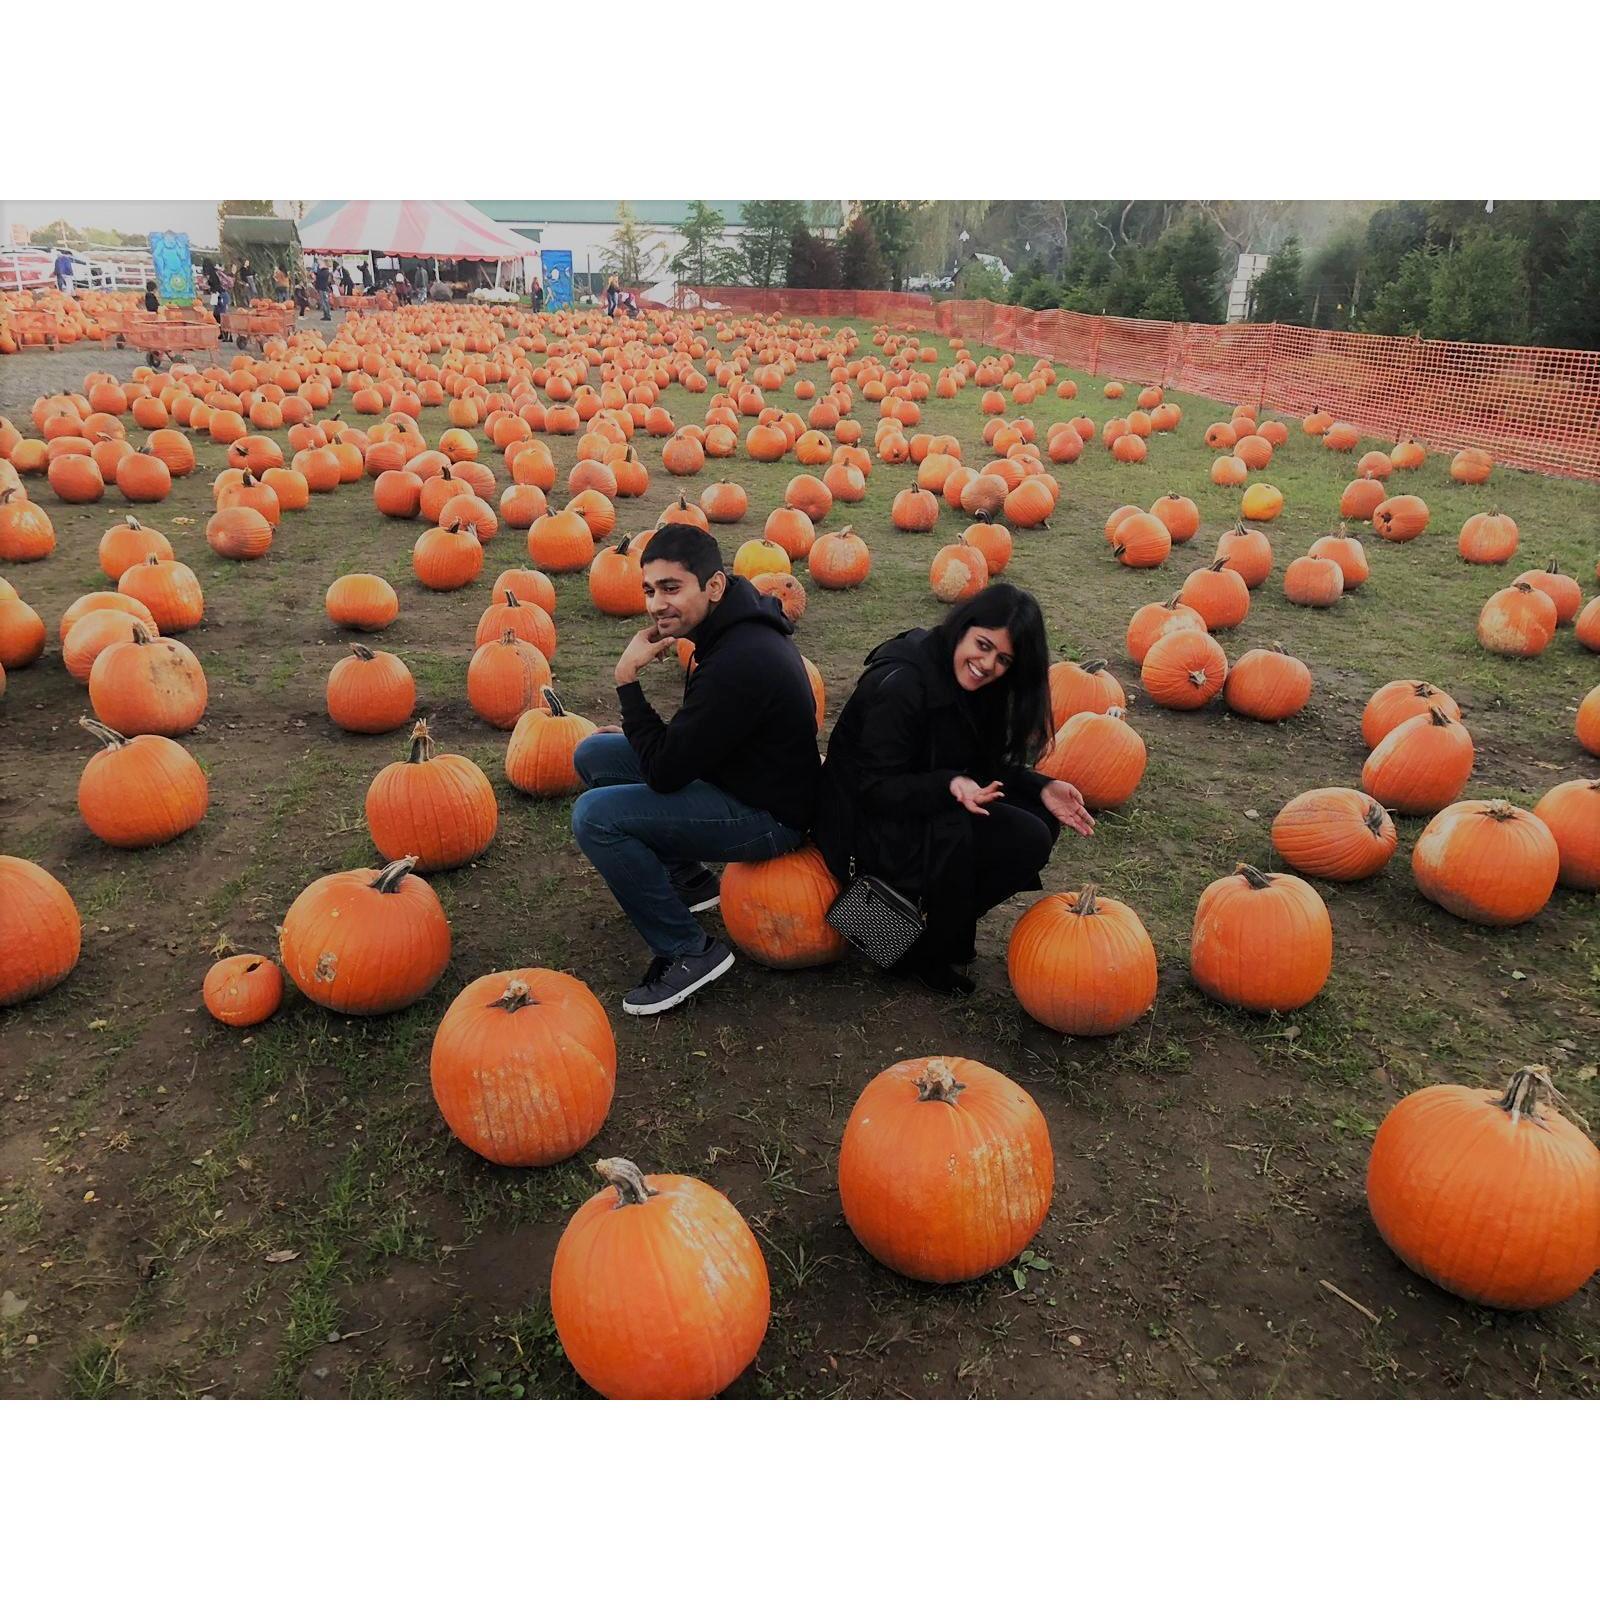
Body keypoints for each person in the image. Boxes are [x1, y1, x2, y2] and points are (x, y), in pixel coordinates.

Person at [571, 524, 822, 1017]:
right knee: (593, 755)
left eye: (671, 588)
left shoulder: (739, 660)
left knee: (595, 817)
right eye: (649, 590)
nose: (656, 605)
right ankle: (689, 880)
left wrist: (627, 681)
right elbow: (686, 744)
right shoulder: (729, 625)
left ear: (712, 587)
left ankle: (689, 951)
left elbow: (665, 771)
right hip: (734, 772)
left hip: (768, 815)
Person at [813, 584, 1095, 995]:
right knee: (1016, 835)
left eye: (1003, 660)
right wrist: (949, 784)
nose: (986, 665)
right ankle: (922, 944)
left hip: (918, 799)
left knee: (1039, 820)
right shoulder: (904, 684)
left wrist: (1042, 785)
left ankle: (932, 930)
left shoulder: (970, 684)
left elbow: (981, 764)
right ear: (963, 627)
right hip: (860, 824)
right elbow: (873, 789)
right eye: (982, 645)